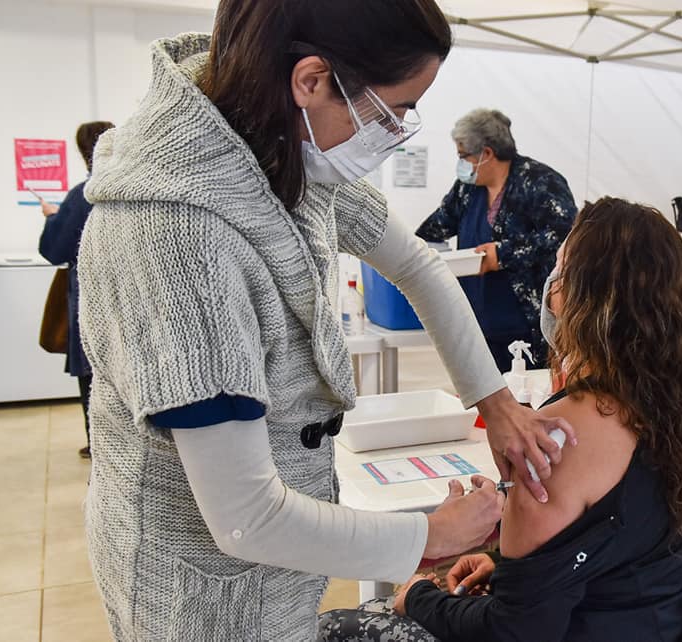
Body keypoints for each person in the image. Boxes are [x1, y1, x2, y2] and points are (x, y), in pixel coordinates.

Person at [74, 2, 576, 641]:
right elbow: (245, 518)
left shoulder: (281, 149)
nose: (397, 132)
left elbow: (418, 265)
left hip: (273, 569)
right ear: (310, 80)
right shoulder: (178, 240)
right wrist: (429, 533)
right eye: (391, 112)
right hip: (200, 594)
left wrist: (498, 404)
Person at [320, 197, 682, 641]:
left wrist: (418, 595)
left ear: (579, 297)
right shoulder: (679, 408)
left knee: (333, 626)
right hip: (653, 626)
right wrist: (512, 568)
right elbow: (621, 550)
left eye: (559, 269)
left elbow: (514, 632)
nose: (550, 284)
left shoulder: (552, 440)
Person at [416, 109, 576, 372]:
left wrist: (503, 254)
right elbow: (437, 226)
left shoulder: (541, 182)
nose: (461, 164)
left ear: (486, 153)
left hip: (527, 322)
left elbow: (564, 237)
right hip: (477, 320)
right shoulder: (467, 188)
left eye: (463, 156)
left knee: (525, 394)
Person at [38, 120, 115, 459]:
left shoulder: (83, 194)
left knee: (92, 373)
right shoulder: (131, 190)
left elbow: (55, 249)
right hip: (129, 303)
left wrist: (52, 218)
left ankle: (99, 446)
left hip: (92, 301)